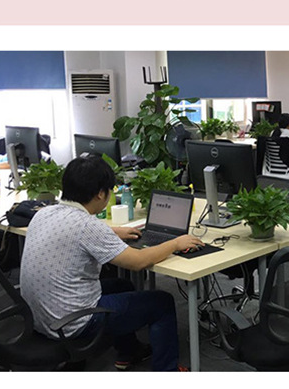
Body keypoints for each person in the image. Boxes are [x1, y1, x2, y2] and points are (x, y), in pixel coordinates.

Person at [19, 154, 203, 372]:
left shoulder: (44, 213)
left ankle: (129, 352)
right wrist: (175, 243)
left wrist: (113, 231)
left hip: (38, 317)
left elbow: (73, 233)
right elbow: (139, 262)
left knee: (122, 286)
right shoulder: (87, 226)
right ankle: (167, 371)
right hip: (73, 324)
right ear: (100, 193)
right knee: (162, 302)